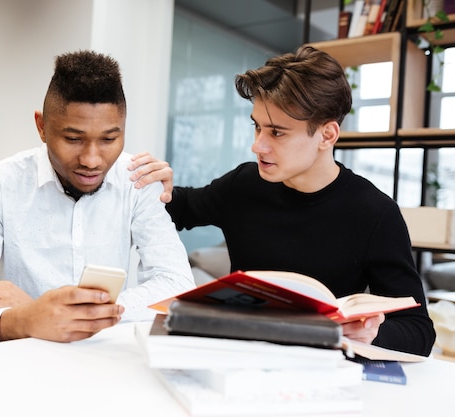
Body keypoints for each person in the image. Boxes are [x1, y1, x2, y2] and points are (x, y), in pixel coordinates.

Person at [129, 45, 436, 356]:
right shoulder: (244, 184)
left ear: (327, 135)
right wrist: (159, 186)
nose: (257, 146)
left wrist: (369, 334)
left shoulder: (375, 213)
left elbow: (419, 331)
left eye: (276, 133)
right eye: (257, 126)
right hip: (238, 356)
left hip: (318, 369)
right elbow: (179, 208)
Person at [0, 50, 195, 348]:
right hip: (20, 361)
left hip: (103, 359)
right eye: (73, 139)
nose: (92, 160)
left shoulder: (138, 180)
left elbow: (177, 286)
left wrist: (46, 311)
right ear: (42, 126)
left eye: (109, 139)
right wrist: (26, 318)